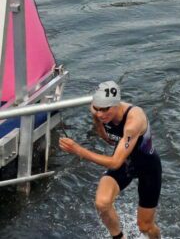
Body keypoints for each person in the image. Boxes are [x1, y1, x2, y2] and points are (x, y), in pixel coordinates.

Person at [58, 81, 162, 239]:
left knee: (145, 226)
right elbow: (97, 120)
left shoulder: (133, 121)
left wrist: (78, 150)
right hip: (126, 162)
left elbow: (114, 162)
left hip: (147, 167)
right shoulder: (97, 109)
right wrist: (104, 136)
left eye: (105, 109)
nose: (100, 114)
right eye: (98, 109)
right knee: (102, 203)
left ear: (116, 104)